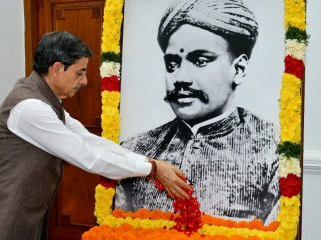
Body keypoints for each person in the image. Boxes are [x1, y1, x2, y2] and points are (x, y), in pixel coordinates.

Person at [0, 31, 192, 240]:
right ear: (56, 69)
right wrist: (152, 169)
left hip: (24, 220)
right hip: (2, 222)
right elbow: (88, 157)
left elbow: (87, 140)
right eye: (80, 72)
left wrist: (147, 163)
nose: (85, 81)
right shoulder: (31, 108)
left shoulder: (46, 101)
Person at [115, 0, 280, 224]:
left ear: (239, 69)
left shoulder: (274, 151)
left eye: (200, 61)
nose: (181, 78)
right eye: (172, 64)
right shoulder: (136, 149)